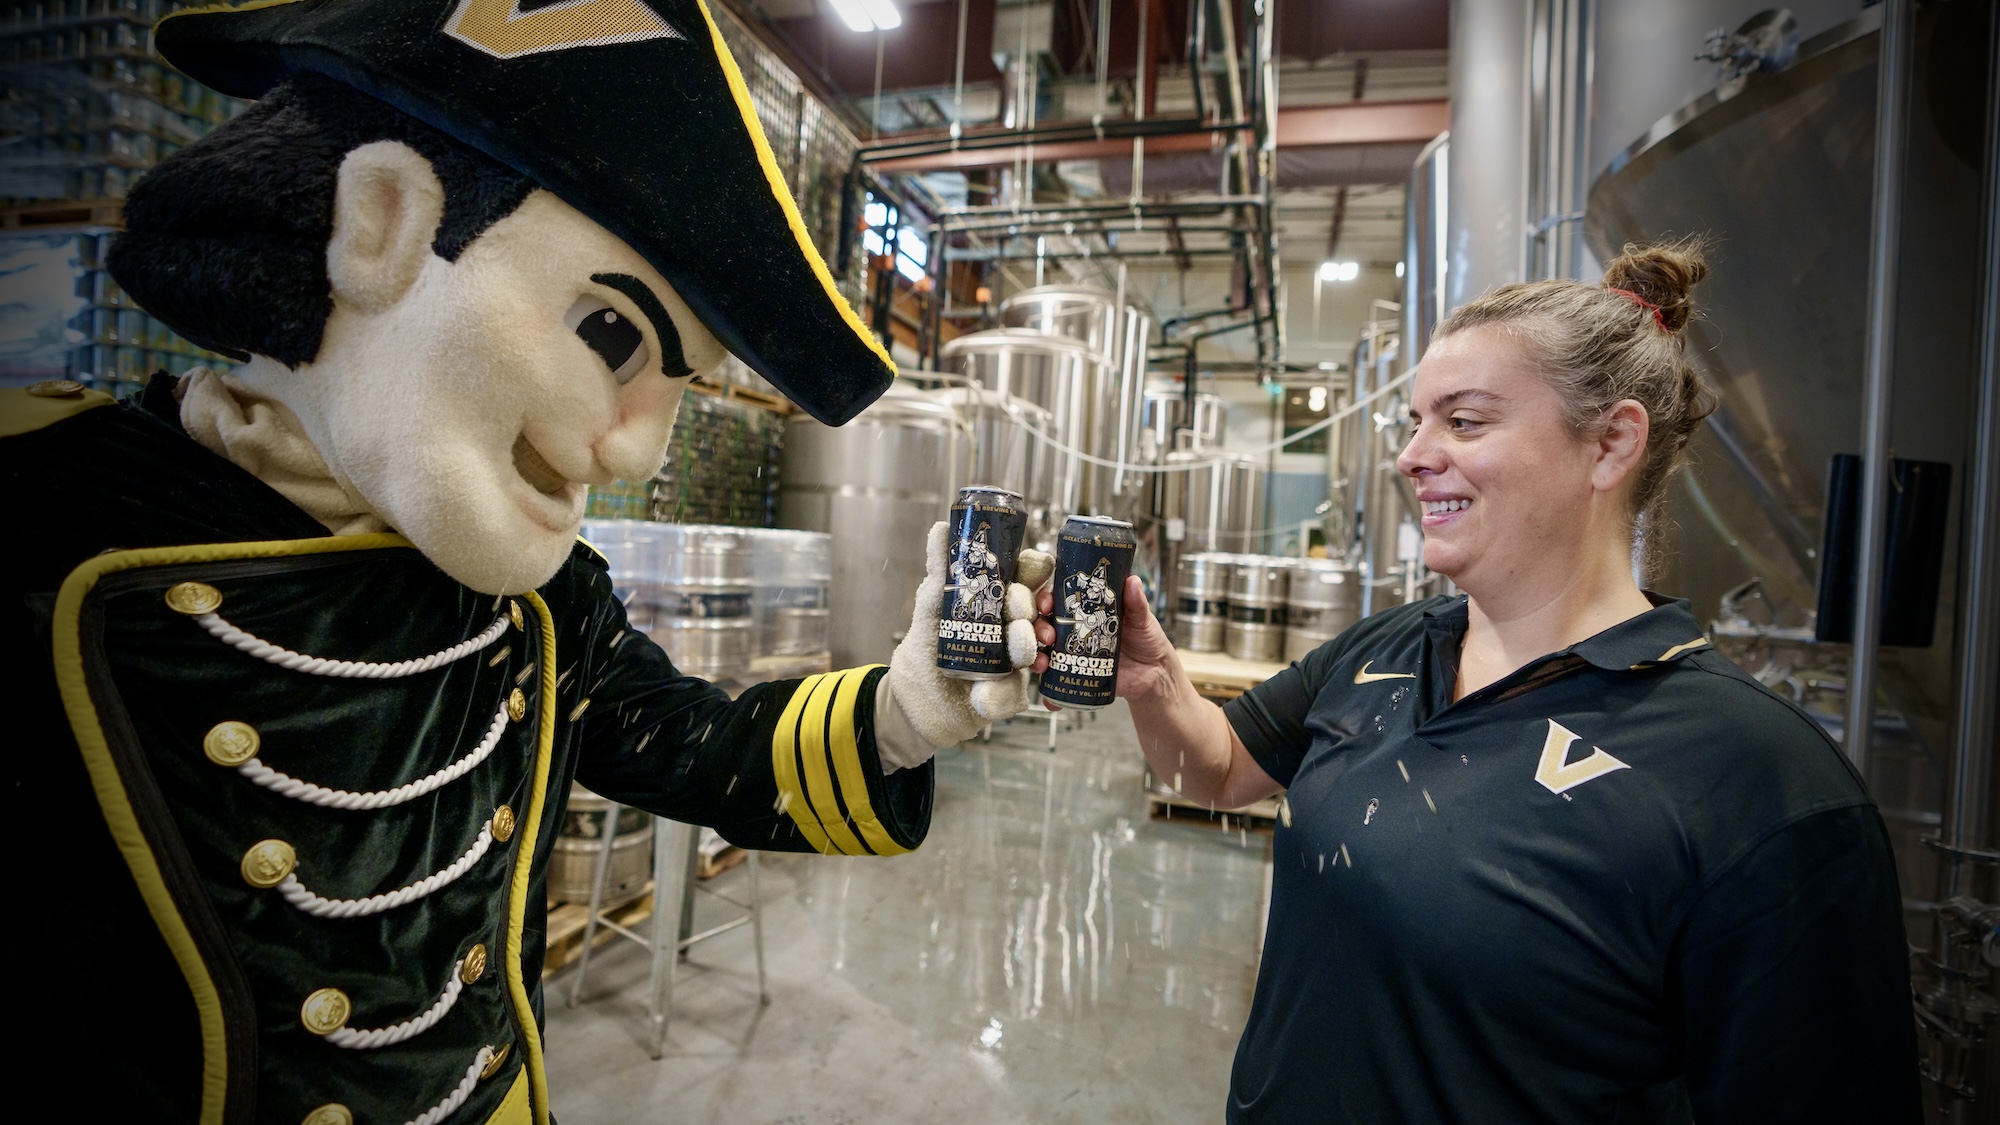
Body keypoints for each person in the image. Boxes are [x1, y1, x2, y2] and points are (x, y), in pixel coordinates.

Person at [3, 2, 1047, 1122]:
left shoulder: (540, 606)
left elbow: (687, 746)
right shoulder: (44, 524)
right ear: (381, 223)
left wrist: (901, 712)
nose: (640, 457)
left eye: (676, 392)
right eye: (610, 338)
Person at [1047, 243, 1920, 1122]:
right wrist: (1157, 682)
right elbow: (1215, 770)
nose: (1413, 456)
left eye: (1464, 422)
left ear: (1612, 442)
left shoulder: (1761, 787)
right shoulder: (1386, 648)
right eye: (1417, 422)